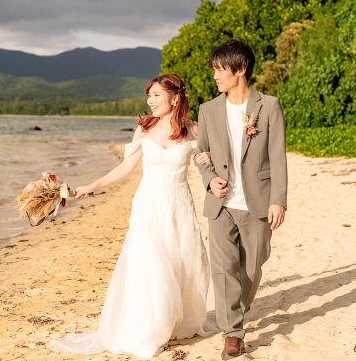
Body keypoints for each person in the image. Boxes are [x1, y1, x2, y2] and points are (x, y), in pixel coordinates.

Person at [51, 73, 218, 358]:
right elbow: (125, 168)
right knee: (151, 265)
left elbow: (217, 155)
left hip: (179, 206)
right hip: (148, 206)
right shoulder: (143, 128)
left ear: (175, 98)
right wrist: (92, 186)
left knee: (181, 261)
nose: (150, 101)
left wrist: (212, 159)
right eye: (149, 96)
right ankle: (152, 329)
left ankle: (176, 323)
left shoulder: (193, 130)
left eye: (156, 95)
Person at [194, 39, 288, 358]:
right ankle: (232, 332)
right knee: (223, 269)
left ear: (241, 70)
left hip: (258, 202)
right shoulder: (207, 110)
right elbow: (201, 154)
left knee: (253, 266)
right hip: (221, 205)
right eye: (215, 70)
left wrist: (279, 200)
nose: (216, 76)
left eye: (221, 70)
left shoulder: (269, 106)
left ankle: (239, 307)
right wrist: (210, 180)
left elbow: (278, 158)